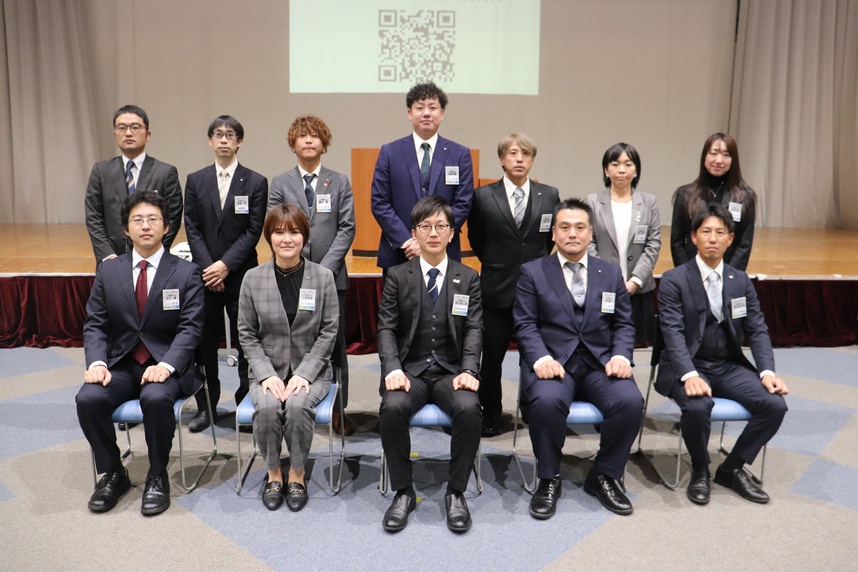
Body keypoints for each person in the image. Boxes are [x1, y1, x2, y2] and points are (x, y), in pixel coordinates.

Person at [76, 190, 204, 516]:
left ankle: (157, 474)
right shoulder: (109, 271)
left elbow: (190, 329)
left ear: (166, 227)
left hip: (167, 365)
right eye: (138, 220)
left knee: (155, 398)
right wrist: (98, 362)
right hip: (121, 364)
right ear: (126, 229)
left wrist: (168, 365)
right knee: (88, 398)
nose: (145, 226)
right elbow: (95, 324)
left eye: (153, 219)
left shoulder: (186, 272)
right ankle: (113, 472)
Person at [514, 198, 643, 519]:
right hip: (553, 364)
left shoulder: (609, 273)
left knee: (630, 402)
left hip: (600, 363)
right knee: (546, 403)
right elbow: (525, 324)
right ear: (554, 233)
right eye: (565, 227)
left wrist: (621, 355)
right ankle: (548, 477)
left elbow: (624, 323)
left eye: (580, 227)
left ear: (590, 233)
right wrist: (540, 359)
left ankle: (605, 474)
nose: (572, 233)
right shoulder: (533, 272)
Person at [656, 202, 788, 505]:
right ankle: (700, 468)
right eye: (706, 232)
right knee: (698, 407)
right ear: (694, 237)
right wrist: (689, 374)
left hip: (727, 365)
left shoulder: (740, 280)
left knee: (774, 405)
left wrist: (767, 372)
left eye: (719, 233)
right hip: (686, 365)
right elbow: (672, 332)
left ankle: (731, 468)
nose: (712, 239)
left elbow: (757, 329)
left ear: (730, 239)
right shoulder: (674, 279)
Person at [377, 196, 482, 533]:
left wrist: (469, 370)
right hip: (411, 372)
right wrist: (393, 368)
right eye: (426, 227)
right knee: (392, 408)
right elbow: (386, 328)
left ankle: (456, 492)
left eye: (441, 227)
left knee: (469, 408)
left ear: (452, 233)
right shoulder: (397, 275)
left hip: (452, 372)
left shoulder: (469, 277)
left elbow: (474, 328)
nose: (433, 233)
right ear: (414, 233)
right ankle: (403, 492)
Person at [237, 205, 339, 512]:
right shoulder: (252, 279)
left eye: (294, 232)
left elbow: (329, 330)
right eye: (279, 232)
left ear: (304, 236)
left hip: (313, 370)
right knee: (268, 408)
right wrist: (267, 374)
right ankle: (273, 474)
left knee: (296, 406)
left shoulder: (323, 277)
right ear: (269, 236)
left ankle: (297, 473)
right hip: (267, 370)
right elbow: (246, 333)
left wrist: (304, 373)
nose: (287, 239)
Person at [268, 115, 355, 435]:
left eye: (315, 135)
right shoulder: (280, 183)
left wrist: (323, 270)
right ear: (293, 143)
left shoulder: (339, 181)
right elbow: (274, 226)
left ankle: (338, 409)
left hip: (332, 278)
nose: (308, 140)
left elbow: (347, 228)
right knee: (290, 342)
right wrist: (302, 268)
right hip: (289, 276)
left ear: (324, 143)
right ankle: (287, 405)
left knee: (336, 346)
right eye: (302, 136)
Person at [468, 133, 559, 436]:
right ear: (502, 159)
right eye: (513, 153)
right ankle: (490, 412)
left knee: (534, 355)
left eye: (526, 154)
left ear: (532, 160)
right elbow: (476, 239)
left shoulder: (549, 195)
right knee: (491, 358)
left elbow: (548, 241)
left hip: (536, 290)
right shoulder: (482, 196)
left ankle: (532, 408)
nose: (520, 159)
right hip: (496, 290)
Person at [183, 115, 268, 432]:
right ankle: (206, 407)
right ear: (210, 141)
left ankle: (246, 404)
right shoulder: (196, 180)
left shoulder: (256, 181)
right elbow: (192, 227)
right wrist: (210, 267)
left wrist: (225, 265)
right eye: (217, 134)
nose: (223, 139)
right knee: (204, 347)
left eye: (230, 135)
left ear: (239, 142)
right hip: (205, 277)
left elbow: (253, 230)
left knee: (247, 345)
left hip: (241, 275)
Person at [371, 81, 474, 271]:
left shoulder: (459, 154)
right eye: (420, 108)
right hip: (400, 254)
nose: (426, 113)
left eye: (432, 108)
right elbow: (380, 203)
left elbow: (463, 204)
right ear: (409, 113)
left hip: (445, 254)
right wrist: (408, 241)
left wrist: (435, 239)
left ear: (442, 113)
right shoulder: (390, 152)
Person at [85, 104, 183, 263]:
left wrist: (152, 253)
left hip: (153, 261)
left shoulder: (165, 172)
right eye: (122, 128)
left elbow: (173, 218)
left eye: (135, 127)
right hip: (112, 260)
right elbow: (93, 217)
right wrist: (108, 256)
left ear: (148, 134)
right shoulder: (101, 171)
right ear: (115, 133)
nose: (128, 133)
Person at [587, 143, 661, 345]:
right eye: (615, 164)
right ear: (606, 170)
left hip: (638, 288)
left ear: (636, 170)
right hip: (603, 286)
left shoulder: (648, 202)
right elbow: (589, 243)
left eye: (628, 164)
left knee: (634, 344)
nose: (622, 170)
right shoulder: (593, 202)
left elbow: (653, 243)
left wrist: (635, 281)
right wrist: (608, 278)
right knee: (602, 342)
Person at [670, 133, 757, 271]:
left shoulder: (745, 196)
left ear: (733, 160)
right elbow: (677, 241)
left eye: (726, 155)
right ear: (705, 156)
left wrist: (729, 276)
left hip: (728, 271)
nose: (719, 160)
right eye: (714, 153)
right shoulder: (685, 194)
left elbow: (744, 244)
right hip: (691, 271)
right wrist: (687, 274)